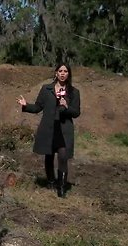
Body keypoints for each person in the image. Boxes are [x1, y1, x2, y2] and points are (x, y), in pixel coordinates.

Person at [16, 63, 81, 198]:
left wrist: (67, 106)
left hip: (64, 130)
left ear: (68, 74)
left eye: (65, 71)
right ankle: (51, 181)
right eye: (60, 71)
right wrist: (26, 106)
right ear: (56, 73)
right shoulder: (46, 89)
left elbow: (76, 113)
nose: (63, 73)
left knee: (63, 156)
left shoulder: (74, 92)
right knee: (49, 155)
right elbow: (38, 107)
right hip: (48, 128)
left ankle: (61, 187)